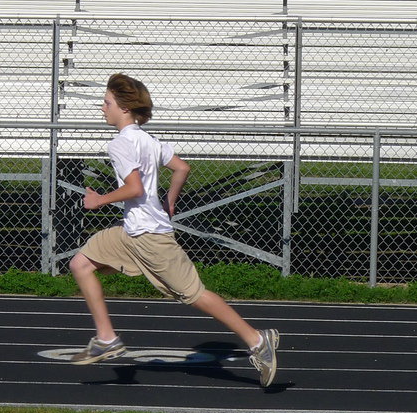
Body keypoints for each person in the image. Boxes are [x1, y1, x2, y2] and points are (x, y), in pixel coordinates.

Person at [68, 73, 280, 386]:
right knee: (80, 263)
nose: (102, 108)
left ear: (124, 108)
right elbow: (182, 168)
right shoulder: (148, 140)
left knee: (193, 294)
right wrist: (170, 199)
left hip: (150, 238)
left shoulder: (121, 144)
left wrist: (99, 200)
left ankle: (257, 340)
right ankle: (106, 338)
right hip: (131, 233)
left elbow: (134, 188)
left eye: (107, 102)